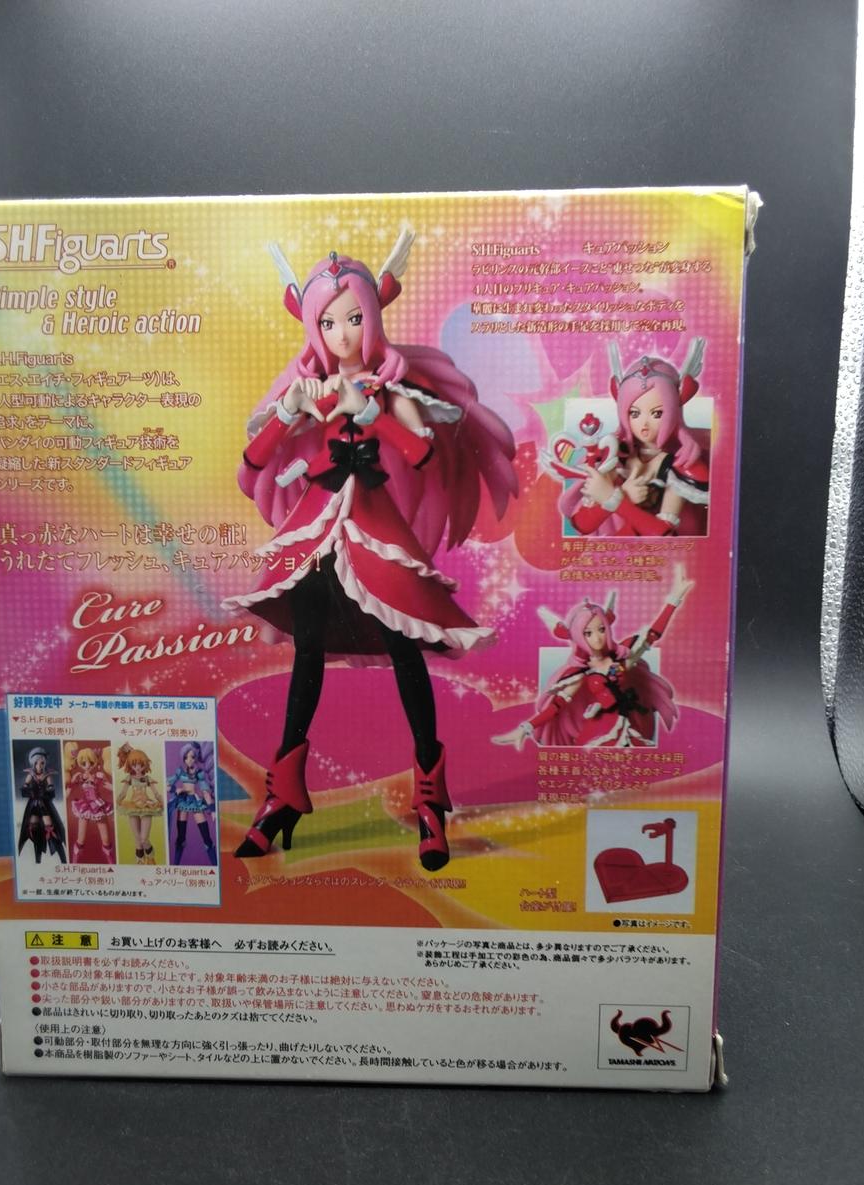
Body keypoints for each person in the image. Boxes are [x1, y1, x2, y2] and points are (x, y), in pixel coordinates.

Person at [222, 230, 517, 871]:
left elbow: (422, 453)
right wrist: (287, 412)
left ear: (373, 319)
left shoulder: (389, 391)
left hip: (374, 530)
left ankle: (431, 800)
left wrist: (372, 411)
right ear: (312, 327)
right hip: (317, 529)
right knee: (306, 651)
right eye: (328, 322)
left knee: (404, 649)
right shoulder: (309, 390)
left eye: (353, 318)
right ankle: (284, 793)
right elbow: (252, 464)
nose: (342, 334)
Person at [492, 566, 693, 750]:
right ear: (579, 636)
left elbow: (651, 636)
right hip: (597, 731)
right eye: (588, 633)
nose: (597, 638)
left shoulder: (621, 660)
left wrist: (674, 600)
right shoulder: (580, 673)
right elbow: (556, 706)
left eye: (601, 629)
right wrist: (525, 728)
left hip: (628, 726)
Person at [553, 342, 709, 537]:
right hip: (612, 551)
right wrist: (621, 496)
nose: (644, 423)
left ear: (673, 412)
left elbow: (664, 535)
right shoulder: (614, 456)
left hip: (656, 555)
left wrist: (615, 499)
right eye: (634, 413)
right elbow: (582, 524)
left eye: (657, 413)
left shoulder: (680, 465)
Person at [65, 743, 115, 863]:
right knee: (80, 838)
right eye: (83, 763)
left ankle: (111, 862)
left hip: (98, 805)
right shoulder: (79, 777)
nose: (87, 766)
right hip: (85, 806)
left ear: (95, 762)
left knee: (106, 839)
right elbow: (68, 791)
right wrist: (71, 784)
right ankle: (74, 863)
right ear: (79, 763)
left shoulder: (99, 775)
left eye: (91, 763)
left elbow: (111, 787)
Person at [167, 743, 216, 865]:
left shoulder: (199, 773)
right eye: (186, 757)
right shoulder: (180, 771)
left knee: (206, 837)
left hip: (194, 801)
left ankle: (215, 865)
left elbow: (205, 791)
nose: (189, 760)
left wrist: (212, 809)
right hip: (183, 801)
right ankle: (175, 866)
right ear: (183, 758)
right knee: (181, 837)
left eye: (192, 757)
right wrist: (176, 789)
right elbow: (167, 785)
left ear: (195, 758)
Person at [17, 746, 66, 863]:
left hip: (44, 804)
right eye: (37, 763)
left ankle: (61, 855)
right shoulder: (30, 774)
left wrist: (48, 791)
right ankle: (37, 855)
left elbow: (51, 789)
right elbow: (25, 787)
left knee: (50, 827)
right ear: (33, 763)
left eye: (42, 763)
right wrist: (28, 790)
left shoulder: (47, 775)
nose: (39, 765)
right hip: (34, 805)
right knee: (33, 827)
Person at [116, 744, 164, 863]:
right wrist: (117, 801)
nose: (137, 767)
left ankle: (151, 856)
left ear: (145, 764)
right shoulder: (129, 778)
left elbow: (156, 793)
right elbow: (123, 792)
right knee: (137, 839)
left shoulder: (147, 778)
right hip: (132, 806)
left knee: (144, 838)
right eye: (134, 764)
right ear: (130, 765)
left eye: (140, 764)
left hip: (146, 806)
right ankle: (140, 860)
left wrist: (161, 801)